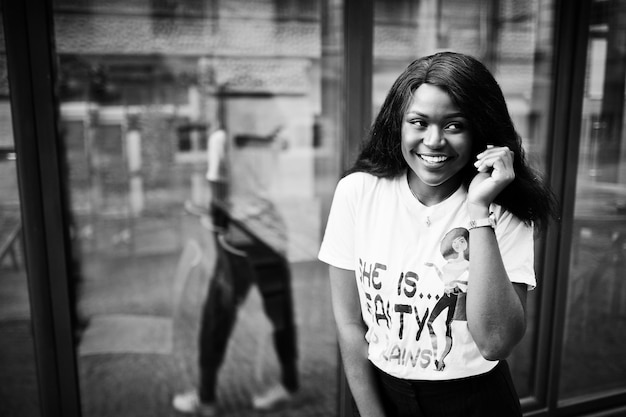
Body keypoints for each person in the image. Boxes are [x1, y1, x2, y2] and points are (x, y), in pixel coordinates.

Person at [318, 51, 557, 417]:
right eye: (418, 122)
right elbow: (350, 324)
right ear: (398, 124)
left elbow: (495, 342)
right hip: (381, 394)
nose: (433, 141)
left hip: (475, 401)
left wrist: (479, 213)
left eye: (454, 125)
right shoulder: (357, 193)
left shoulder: (502, 209)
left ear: (480, 131)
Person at [173, 122, 299, 416]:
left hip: (238, 243)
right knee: (281, 314)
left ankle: (205, 399)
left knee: (216, 316)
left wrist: (206, 215)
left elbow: (220, 198)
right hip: (272, 235)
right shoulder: (270, 134)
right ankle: (289, 385)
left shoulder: (222, 137)